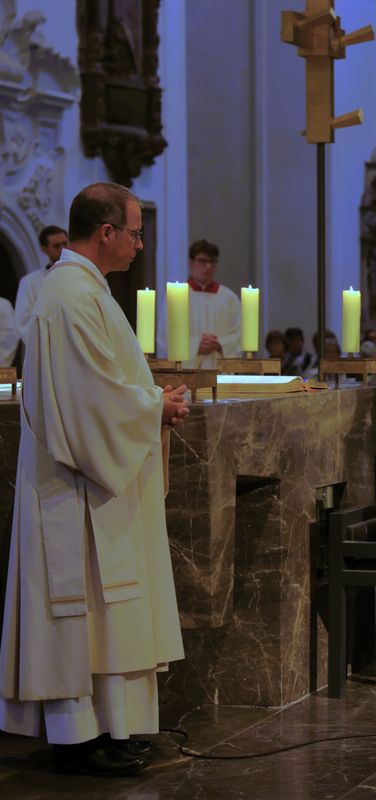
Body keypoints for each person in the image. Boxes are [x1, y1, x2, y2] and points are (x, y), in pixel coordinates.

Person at [0, 183, 189, 776]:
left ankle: (108, 729)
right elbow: (89, 399)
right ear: (105, 233)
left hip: (93, 481)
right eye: (134, 232)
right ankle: (78, 740)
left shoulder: (85, 291)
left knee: (105, 617)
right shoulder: (70, 297)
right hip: (75, 486)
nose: (139, 244)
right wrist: (154, 408)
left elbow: (105, 385)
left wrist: (148, 402)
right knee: (82, 614)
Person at [179, 239, 241, 369]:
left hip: (220, 370)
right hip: (187, 373)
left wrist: (219, 343)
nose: (208, 266)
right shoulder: (177, 297)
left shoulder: (229, 298)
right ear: (191, 262)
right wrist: (196, 345)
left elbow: (239, 335)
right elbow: (167, 337)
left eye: (212, 262)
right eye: (202, 261)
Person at [14, 224, 67, 348]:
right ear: (44, 249)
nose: (63, 249)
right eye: (57, 246)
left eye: (65, 244)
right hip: (46, 348)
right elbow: (23, 322)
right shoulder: (30, 282)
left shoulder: (81, 276)